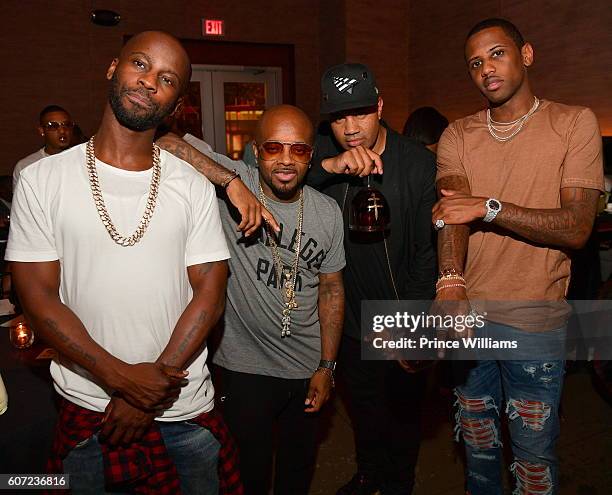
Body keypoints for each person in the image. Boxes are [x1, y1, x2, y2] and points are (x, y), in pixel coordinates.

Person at [7, 31, 242, 494]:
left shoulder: (191, 185)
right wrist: (122, 381)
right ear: (113, 68)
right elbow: (37, 296)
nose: (149, 81)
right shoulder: (40, 179)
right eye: (140, 64)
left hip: (184, 409)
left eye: (167, 78)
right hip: (90, 406)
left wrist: (148, 394)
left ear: (176, 104)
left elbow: (211, 291)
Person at [433, 18, 603, 495]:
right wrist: (450, 282)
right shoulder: (458, 134)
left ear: (526, 55)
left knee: (532, 459)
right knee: (479, 448)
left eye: (496, 54)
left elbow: (576, 226)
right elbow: (451, 211)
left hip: (536, 322)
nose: (485, 68)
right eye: (474, 62)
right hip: (470, 321)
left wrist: (491, 208)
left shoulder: (573, 123)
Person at [159, 105, 346, 495]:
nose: (285, 160)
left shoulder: (327, 211)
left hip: (307, 367)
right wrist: (230, 183)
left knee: (297, 473)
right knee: (248, 477)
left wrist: (327, 366)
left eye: (298, 150)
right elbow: (165, 142)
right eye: (274, 147)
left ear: (311, 156)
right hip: (245, 370)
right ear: (256, 150)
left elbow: (331, 289)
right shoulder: (237, 182)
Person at [309, 63, 438, 495]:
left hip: (400, 316)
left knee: (402, 420)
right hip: (345, 318)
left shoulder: (417, 164)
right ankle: (368, 475)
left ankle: (398, 483)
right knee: (363, 413)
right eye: (339, 117)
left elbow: (427, 253)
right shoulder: (322, 151)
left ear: (380, 106)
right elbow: (274, 175)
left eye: (360, 113)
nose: (350, 128)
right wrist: (330, 164)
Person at [13, 105, 75, 190]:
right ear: (42, 131)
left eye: (67, 125)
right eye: (53, 126)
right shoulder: (27, 166)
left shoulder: (83, 160)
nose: (62, 131)